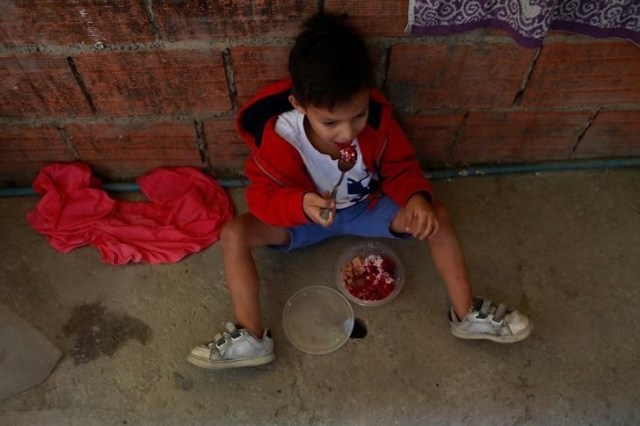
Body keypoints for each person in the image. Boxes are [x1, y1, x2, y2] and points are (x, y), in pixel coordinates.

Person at [187, 12, 532, 370]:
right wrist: (300, 204)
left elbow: (400, 167)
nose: (347, 133)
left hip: (367, 208)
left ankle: (467, 315)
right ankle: (251, 337)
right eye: (330, 123)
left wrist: (415, 198)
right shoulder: (279, 138)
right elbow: (261, 198)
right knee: (234, 233)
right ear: (299, 105)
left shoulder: (379, 123)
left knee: (438, 216)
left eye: (359, 115)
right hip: (303, 219)